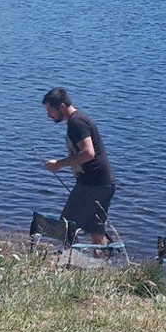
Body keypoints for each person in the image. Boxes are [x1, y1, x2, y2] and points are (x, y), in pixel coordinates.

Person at [42, 87, 116, 246]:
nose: (49, 115)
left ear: (61, 106)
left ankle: (73, 262)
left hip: (93, 184)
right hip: (105, 183)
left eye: (50, 111)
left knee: (66, 226)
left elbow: (88, 153)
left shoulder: (76, 123)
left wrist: (58, 164)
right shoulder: (79, 119)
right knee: (95, 229)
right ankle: (102, 264)